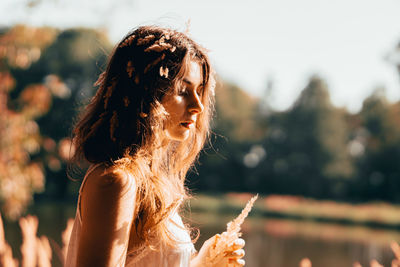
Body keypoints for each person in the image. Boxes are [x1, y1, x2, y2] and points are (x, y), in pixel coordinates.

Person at [65, 25, 246, 267]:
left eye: (199, 91)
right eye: (183, 91)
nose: (198, 106)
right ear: (148, 94)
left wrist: (203, 263)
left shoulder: (150, 183)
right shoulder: (117, 182)